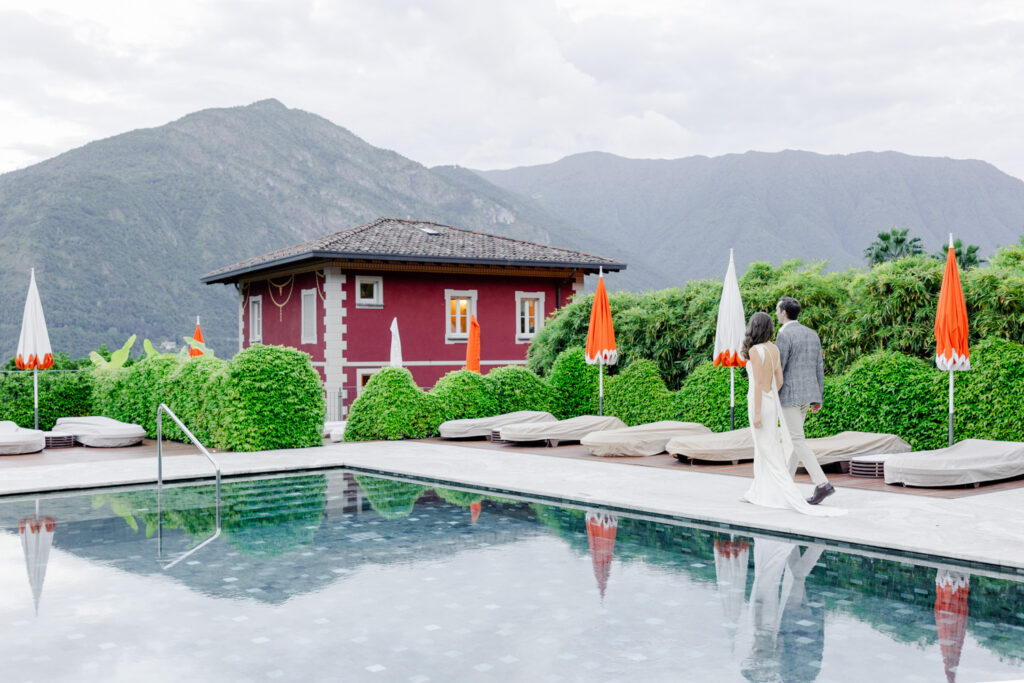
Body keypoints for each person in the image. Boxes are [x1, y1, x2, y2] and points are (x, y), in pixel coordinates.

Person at [741, 312, 844, 516]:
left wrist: (758, 412)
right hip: (777, 400)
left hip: (761, 403)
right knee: (769, 447)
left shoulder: (755, 350)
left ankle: (795, 490)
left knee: (770, 450)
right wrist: (772, 397)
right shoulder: (775, 348)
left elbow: (760, 384)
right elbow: (779, 380)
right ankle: (759, 490)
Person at [774, 297, 833, 505]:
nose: (776, 312)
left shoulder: (783, 335)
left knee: (796, 439)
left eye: (777, 309)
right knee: (793, 439)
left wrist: (772, 395)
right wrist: (819, 396)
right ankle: (786, 484)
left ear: (783, 312)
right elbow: (819, 367)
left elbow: (778, 369)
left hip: (789, 395)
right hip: (808, 395)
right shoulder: (812, 334)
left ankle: (822, 484)